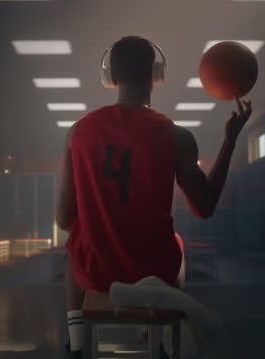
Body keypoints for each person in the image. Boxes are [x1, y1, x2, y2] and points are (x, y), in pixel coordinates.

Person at [55, 36, 252, 358]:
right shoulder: (176, 135)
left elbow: (64, 219)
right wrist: (230, 140)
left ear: (110, 76)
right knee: (177, 242)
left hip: (98, 271)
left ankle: (76, 345)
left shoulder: (77, 132)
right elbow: (204, 208)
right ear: (155, 74)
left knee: (75, 242)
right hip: (153, 269)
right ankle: (165, 343)